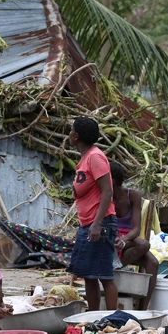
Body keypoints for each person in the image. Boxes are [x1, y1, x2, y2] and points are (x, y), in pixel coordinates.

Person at [68, 116, 118, 311]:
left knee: (104, 275)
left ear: (77, 136)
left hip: (100, 224)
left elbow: (107, 191)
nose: (69, 134)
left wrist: (97, 223)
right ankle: (94, 316)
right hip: (88, 224)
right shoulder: (86, 158)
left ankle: (114, 318)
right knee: (88, 274)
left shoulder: (95, 157)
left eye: (71, 130)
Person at [111, 160, 158, 310]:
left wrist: (124, 240)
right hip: (110, 240)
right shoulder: (104, 196)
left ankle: (143, 309)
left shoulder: (133, 196)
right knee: (148, 255)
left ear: (112, 180)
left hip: (128, 239)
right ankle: (113, 267)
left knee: (152, 260)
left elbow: (136, 229)